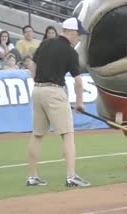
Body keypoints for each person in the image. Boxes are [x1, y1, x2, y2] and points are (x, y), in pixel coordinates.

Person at [26, 17, 90, 188]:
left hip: (38, 90)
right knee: (67, 134)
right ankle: (71, 177)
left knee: (37, 134)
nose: (79, 38)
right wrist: (80, 103)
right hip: (54, 91)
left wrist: (38, 82)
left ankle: (32, 177)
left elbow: (32, 66)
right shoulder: (70, 52)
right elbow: (78, 82)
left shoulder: (46, 43)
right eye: (78, 34)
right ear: (70, 32)